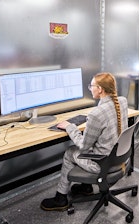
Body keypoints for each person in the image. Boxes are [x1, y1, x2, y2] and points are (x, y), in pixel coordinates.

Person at [40, 72, 129, 211]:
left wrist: (70, 127)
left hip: (101, 164)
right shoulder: (122, 101)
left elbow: (83, 146)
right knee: (90, 147)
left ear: (100, 89)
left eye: (91, 86)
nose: (90, 88)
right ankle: (85, 187)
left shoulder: (96, 114)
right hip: (118, 159)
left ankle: (61, 198)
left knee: (70, 152)